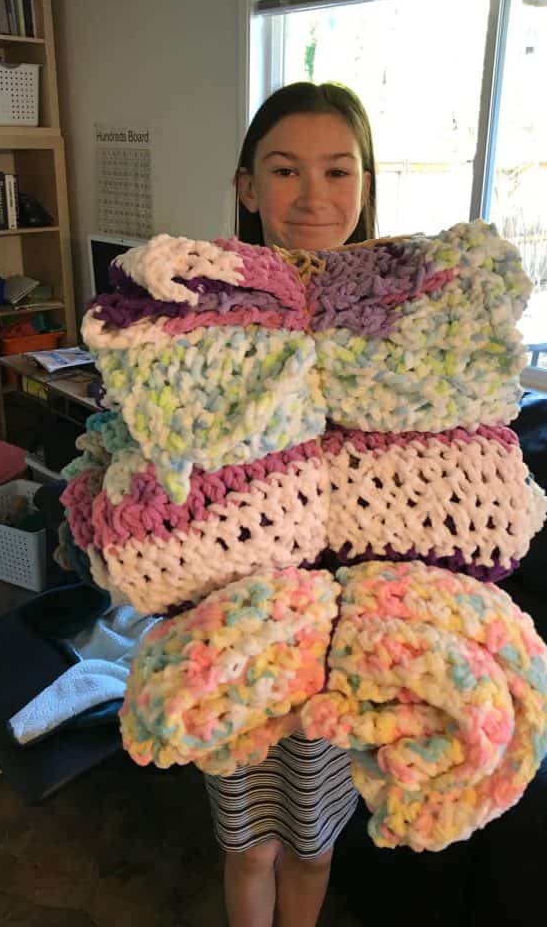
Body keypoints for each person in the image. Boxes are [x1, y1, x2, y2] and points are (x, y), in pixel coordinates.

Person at [203, 81, 378, 927]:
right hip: (232, 619)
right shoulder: (205, 316)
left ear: (366, 182)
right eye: (285, 170)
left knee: (312, 842)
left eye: (339, 171)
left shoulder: (399, 324)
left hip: (348, 630)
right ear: (248, 188)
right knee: (249, 845)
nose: (314, 196)